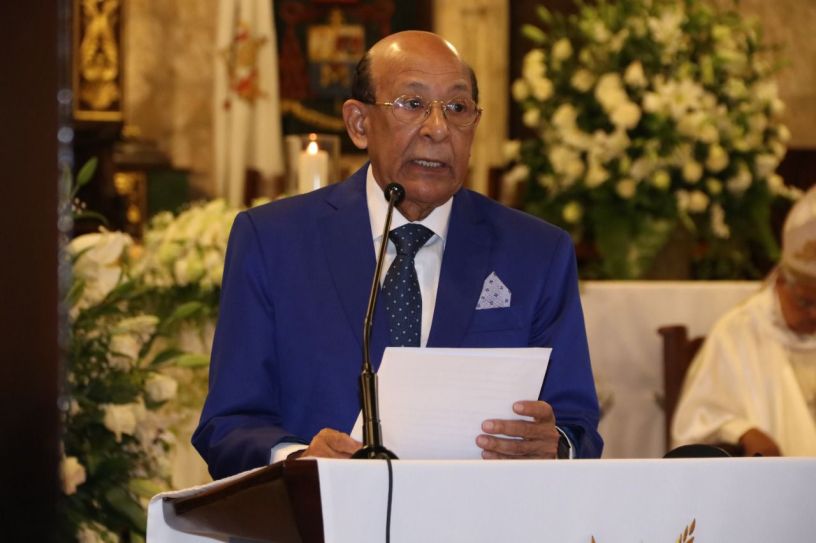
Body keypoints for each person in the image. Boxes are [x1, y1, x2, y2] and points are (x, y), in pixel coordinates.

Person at [193, 31, 602, 479]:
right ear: (359, 124)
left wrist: (555, 446)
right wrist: (299, 462)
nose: (438, 128)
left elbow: (576, 426)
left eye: (457, 108)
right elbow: (227, 425)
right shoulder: (273, 241)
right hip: (322, 513)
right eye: (412, 103)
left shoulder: (536, 252)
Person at [672, 186, 816, 456]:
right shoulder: (738, 331)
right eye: (806, 302)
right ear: (780, 281)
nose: (814, 315)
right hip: (778, 481)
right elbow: (698, 419)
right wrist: (743, 431)